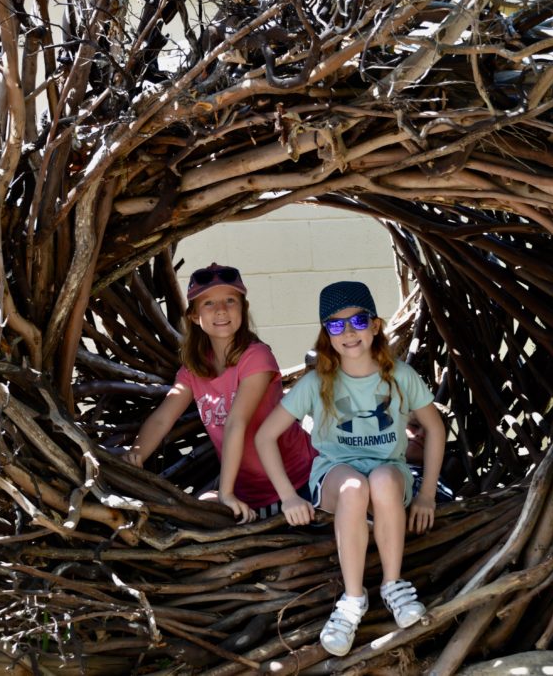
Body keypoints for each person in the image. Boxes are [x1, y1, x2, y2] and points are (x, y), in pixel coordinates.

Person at [255, 281, 446, 657]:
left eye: (357, 321)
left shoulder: (400, 376)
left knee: (381, 479)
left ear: (375, 325)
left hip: (389, 472)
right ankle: (352, 600)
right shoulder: (316, 383)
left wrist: (426, 496)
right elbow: (265, 436)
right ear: (327, 334)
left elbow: (435, 428)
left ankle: (394, 585)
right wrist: (288, 495)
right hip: (335, 476)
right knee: (355, 486)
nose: (349, 332)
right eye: (336, 325)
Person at [123, 264, 316, 523]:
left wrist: (225, 492)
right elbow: (162, 419)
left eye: (230, 300)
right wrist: (135, 455)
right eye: (209, 303)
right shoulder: (194, 369)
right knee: (204, 505)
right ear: (193, 316)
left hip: (298, 481)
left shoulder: (256, 356)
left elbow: (237, 422)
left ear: (243, 309)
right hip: (250, 494)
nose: (221, 310)